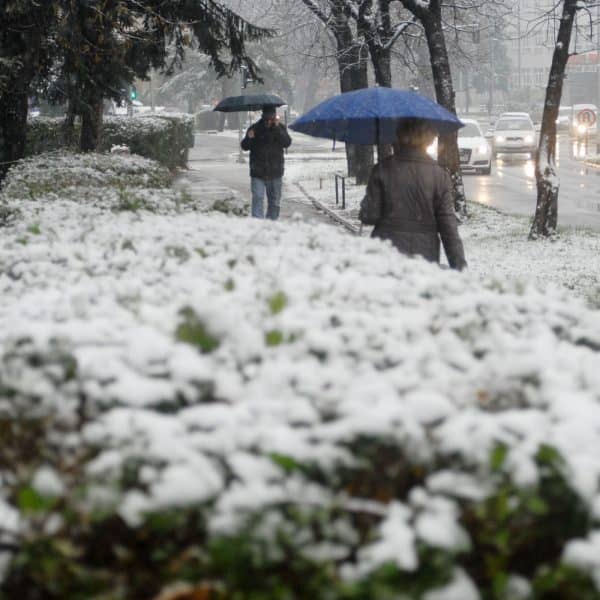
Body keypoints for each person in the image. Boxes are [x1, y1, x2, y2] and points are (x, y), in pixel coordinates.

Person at [359, 119, 467, 270]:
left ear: (398, 135)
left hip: (386, 251)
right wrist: (460, 267)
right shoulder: (439, 175)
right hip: (424, 254)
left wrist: (366, 205)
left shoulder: (382, 169)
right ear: (429, 139)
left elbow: (369, 216)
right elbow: (448, 226)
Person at [241, 106, 292, 220]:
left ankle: (271, 223)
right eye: (267, 119)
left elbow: (287, 143)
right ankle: (257, 223)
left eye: (271, 118)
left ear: (274, 117)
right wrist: (249, 138)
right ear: (263, 117)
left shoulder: (280, 128)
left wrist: (278, 128)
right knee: (258, 198)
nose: (269, 121)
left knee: (274, 202)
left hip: (275, 171)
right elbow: (244, 146)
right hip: (258, 171)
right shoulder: (254, 128)